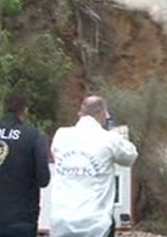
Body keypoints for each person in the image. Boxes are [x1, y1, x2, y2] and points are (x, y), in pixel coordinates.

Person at [49, 95, 138, 237]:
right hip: (95, 223)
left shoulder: (61, 135)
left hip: (62, 220)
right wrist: (115, 134)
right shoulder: (109, 138)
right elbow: (130, 156)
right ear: (102, 113)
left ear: (81, 113)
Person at [0, 93, 51, 237]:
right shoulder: (33, 136)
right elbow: (43, 179)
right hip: (21, 218)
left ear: (3, 108)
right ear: (25, 110)